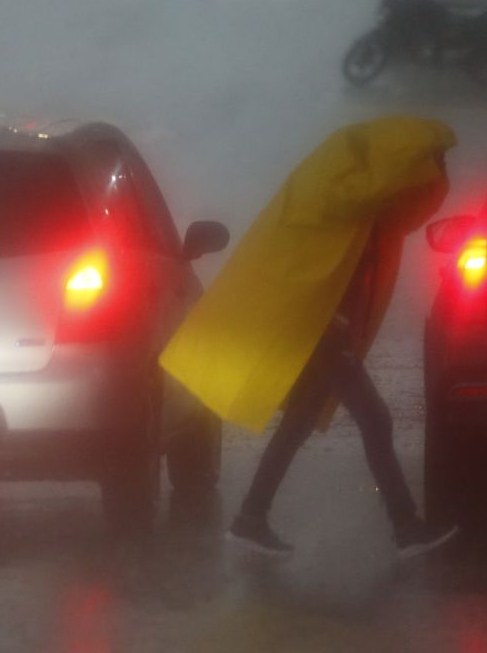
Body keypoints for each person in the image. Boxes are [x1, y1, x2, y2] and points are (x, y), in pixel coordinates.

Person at [160, 116, 458, 560]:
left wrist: (433, 166)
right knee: (374, 419)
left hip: (326, 329)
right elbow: (341, 239)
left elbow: (402, 216)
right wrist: (335, 320)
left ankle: (250, 518)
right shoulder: (342, 193)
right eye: (421, 160)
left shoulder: (372, 210)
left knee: (299, 423)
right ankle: (405, 527)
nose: (428, 167)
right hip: (321, 329)